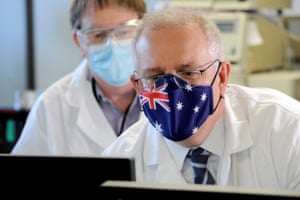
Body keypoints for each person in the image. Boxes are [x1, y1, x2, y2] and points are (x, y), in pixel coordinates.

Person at [102, 8, 300, 190]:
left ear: (222, 76)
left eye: (188, 72)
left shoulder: (287, 131)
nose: (172, 89)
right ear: (138, 86)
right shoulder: (119, 162)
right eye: (155, 77)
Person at [11, 0, 146, 155]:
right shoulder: (51, 106)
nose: (112, 44)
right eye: (98, 34)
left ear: (144, 31)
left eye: (124, 31)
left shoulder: (171, 95)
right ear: (79, 42)